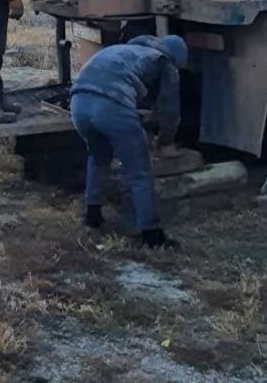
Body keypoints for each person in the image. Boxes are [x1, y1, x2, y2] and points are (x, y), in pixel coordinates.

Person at [70, 34, 189, 249]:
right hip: (110, 104)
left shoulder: (123, 50)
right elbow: (170, 112)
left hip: (78, 103)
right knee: (139, 172)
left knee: (98, 158)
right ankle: (152, 236)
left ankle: (92, 218)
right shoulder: (164, 61)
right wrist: (165, 142)